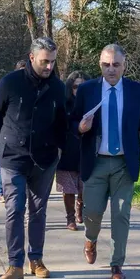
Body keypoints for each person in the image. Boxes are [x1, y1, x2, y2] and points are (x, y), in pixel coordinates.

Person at [71, 43, 140, 279]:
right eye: (106, 65)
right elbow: (71, 124)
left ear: (124, 66)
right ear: (100, 65)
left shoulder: (136, 91)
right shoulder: (87, 90)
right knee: (92, 214)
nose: (111, 70)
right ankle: (90, 239)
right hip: (95, 162)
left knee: (121, 215)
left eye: (116, 65)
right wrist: (80, 127)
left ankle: (116, 264)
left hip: (123, 164)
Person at [0, 37, 66, 279]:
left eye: (53, 62)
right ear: (32, 58)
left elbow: (62, 123)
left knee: (38, 211)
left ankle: (36, 259)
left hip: (44, 160)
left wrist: (60, 152)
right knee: (15, 208)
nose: (49, 67)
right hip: (13, 159)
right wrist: (5, 143)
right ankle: (15, 264)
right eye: (45, 62)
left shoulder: (58, 88)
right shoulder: (11, 83)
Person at [58, 71, 86, 230]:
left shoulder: (90, 103)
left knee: (85, 187)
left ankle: (79, 210)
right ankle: (70, 218)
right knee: (68, 188)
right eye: (76, 86)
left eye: (82, 86)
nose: (78, 90)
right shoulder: (64, 103)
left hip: (86, 151)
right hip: (68, 151)